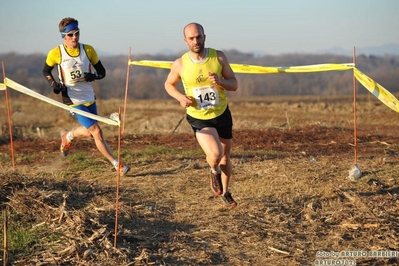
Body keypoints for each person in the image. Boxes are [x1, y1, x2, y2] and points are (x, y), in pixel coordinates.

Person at [42, 17, 130, 176]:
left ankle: (67, 136)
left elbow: (102, 72)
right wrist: (54, 84)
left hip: (89, 96)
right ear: (63, 36)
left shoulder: (88, 50)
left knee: (90, 132)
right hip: (72, 99)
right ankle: (117, 164)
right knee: (97, 131)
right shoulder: (56, 53)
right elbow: (46, 71)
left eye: (77, 33)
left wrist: (93, 76)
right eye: (70, 35)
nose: (74, 37)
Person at [164, 22, 238, 207]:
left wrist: (220, 81)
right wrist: (180, 97)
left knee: (225, 157)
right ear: (185, 40)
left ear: (204, 37)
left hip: (221, 113)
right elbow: (168, 85)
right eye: (191, 38)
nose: (196, 41)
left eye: (199, 37)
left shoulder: (218, 57)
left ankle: (226, 192)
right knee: (215, 153)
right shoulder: (180, 64)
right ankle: (213, 171)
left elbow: (234, 84)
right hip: (198, 116)